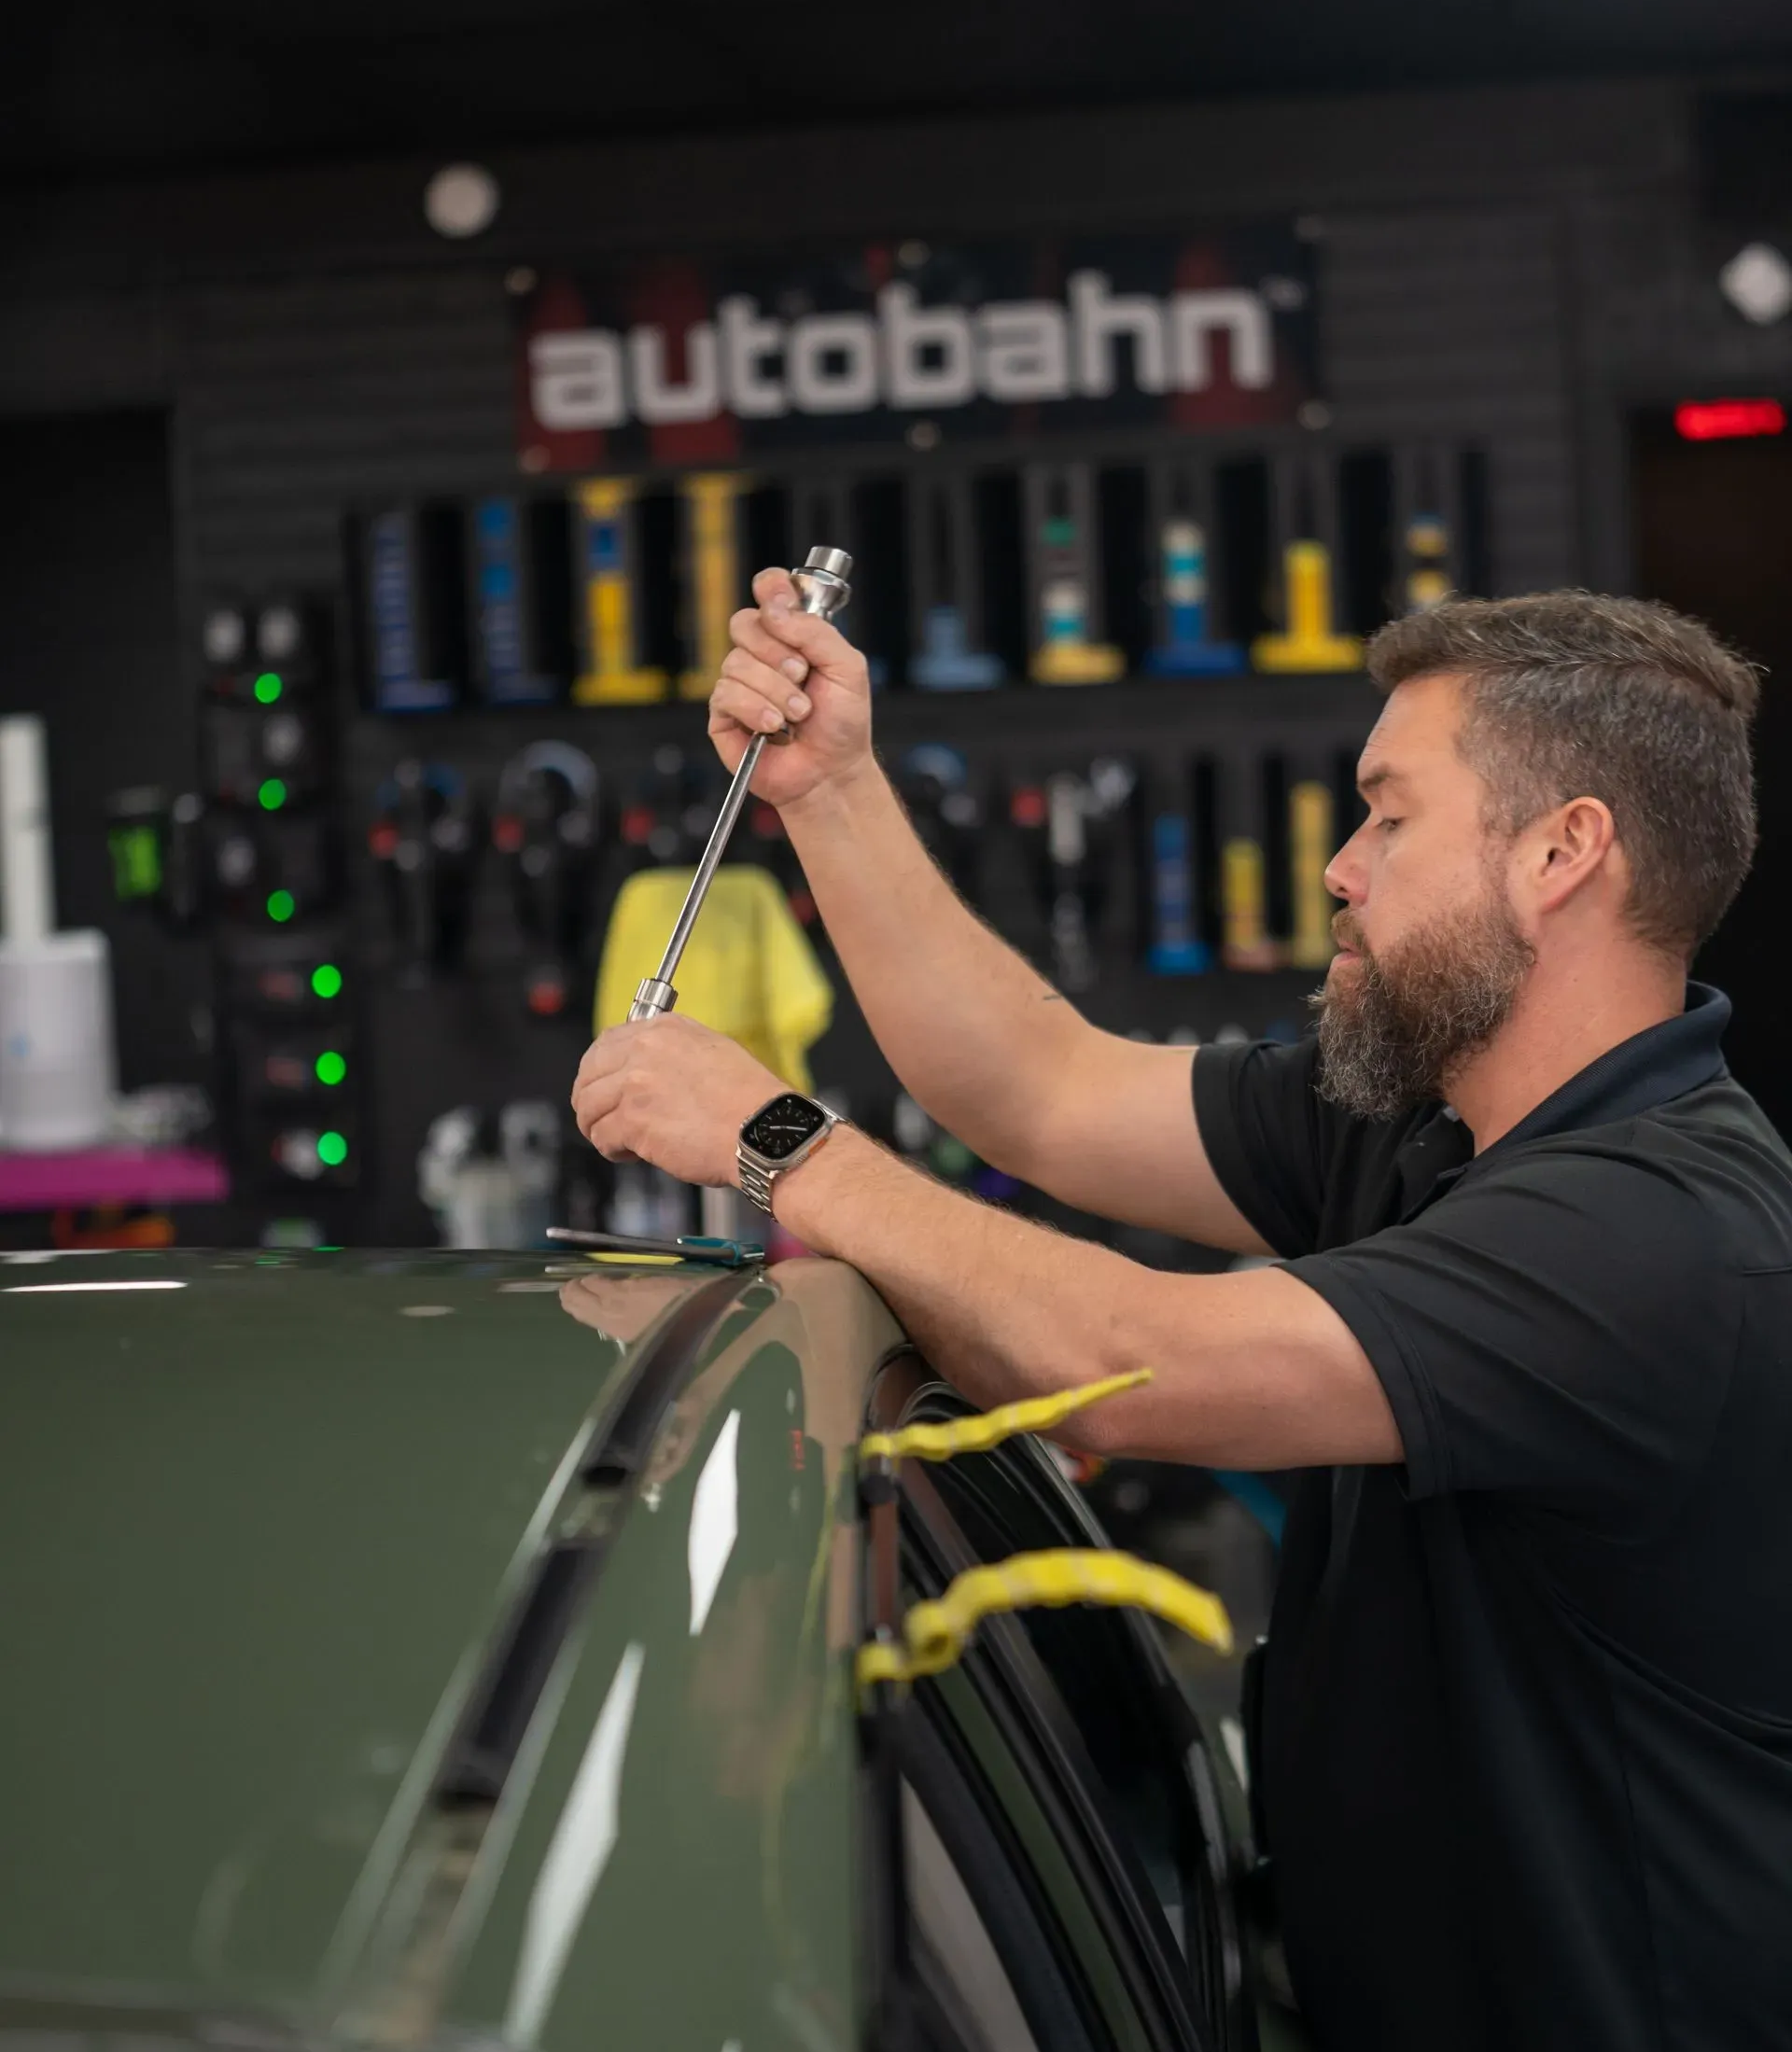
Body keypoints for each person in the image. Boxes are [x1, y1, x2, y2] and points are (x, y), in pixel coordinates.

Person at [571, 576, 1792, 2050]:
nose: (1341, 867)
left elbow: (1120, 1367)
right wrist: (831, 787)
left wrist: (779, 1143)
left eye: (1389, 816)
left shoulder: (1660, 1231)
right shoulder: (1429, 1128)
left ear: (1560, 852)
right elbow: (1040, 1085)